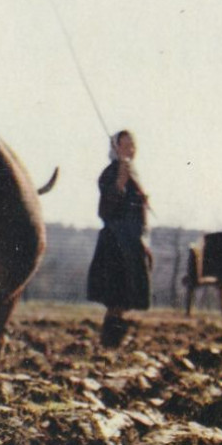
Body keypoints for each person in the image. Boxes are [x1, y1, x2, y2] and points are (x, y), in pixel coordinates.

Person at [86, 129, 152, 347]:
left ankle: (115, 343)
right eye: (126, 144)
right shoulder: (110, 173)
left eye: (133, 144)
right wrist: (119, 185)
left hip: (132, 242)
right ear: (116, 148)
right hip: (115, 244)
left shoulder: (134, 173)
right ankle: (109, 343)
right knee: (116, 297)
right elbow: (104, 211)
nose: (132, 149)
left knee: (125, 299)